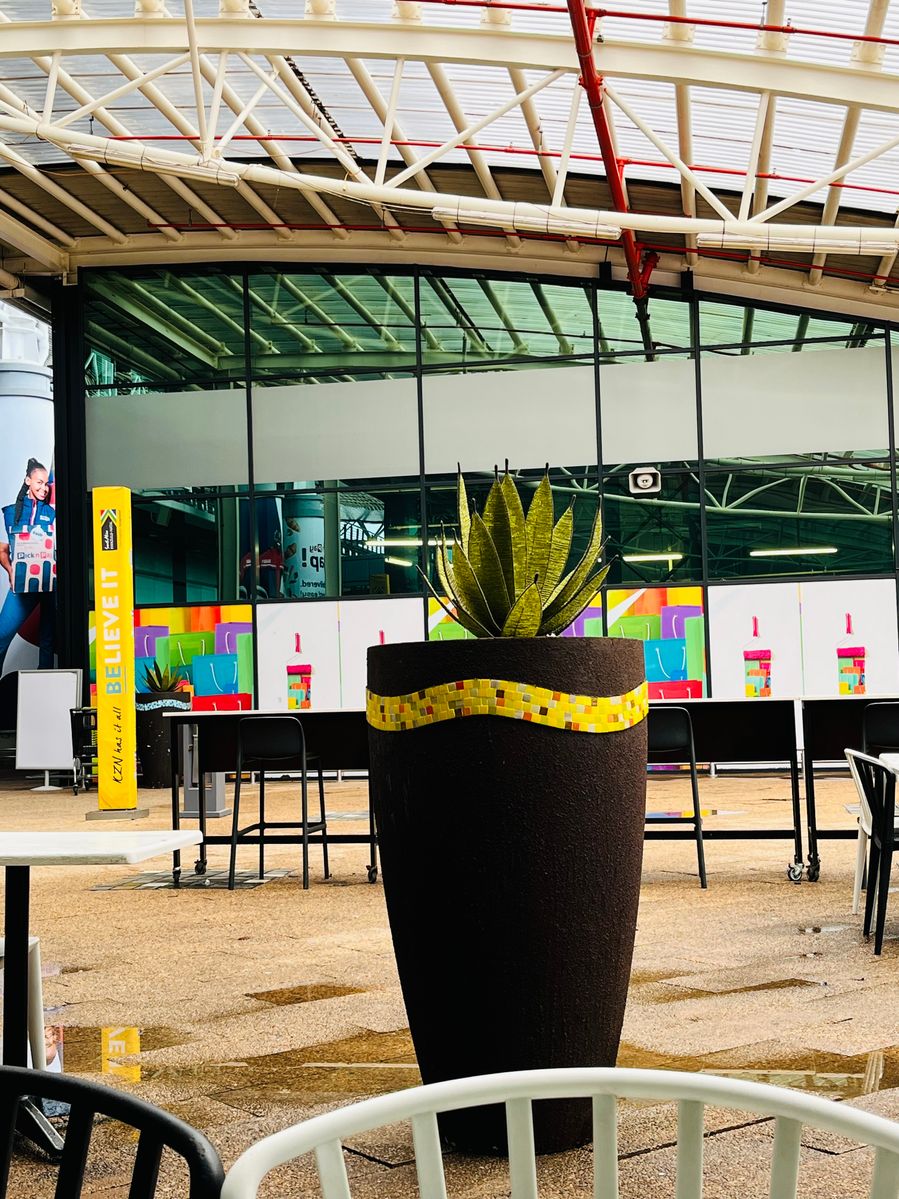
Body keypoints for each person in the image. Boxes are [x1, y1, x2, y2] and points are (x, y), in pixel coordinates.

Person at [0, 458, 56, 672]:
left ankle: (45, 685)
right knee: (2, 636)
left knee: (47, 642)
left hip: (49, 585)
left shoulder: (52, 514)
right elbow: (2, 550)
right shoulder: (10, 512)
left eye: (46, 484)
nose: (44, 488)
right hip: (23, 586)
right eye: (39, 482)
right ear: (28, 481)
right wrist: (11, 571)